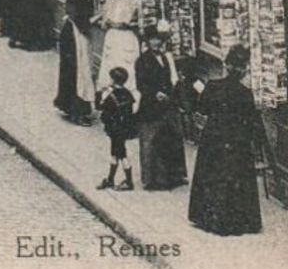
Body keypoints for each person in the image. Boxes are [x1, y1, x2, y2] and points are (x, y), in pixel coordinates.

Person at [188, 46, 264, 235]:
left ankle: (209, 217)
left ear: (227, 65)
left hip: (214, 139)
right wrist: (255, 142)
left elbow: (202, 109)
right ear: (244, 69)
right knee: (236, 178)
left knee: (212, 175)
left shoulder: (213, 86)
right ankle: (239, 220)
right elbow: (252, 121)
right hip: (238, 142)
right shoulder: (246, 93)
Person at [135, 25, 188, 190]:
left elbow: (170, 79)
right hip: (151, 106)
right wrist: (155, 94)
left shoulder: (165, 58)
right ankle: (152, 180)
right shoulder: (142, 60)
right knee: (151, 141)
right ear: (148, 41)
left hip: (167, 104)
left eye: (159, 39)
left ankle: (172, 176)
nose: (156, 43)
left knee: (171, 138)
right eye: (153, 40)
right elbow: (141, 84)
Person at [54, 0, 95, 126]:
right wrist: (93, 21)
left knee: (83, 70)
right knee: (75, 72)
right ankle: (75, 110)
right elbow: (77, 18)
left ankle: (81, 107)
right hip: (73, 37)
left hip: (82, 36)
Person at [97, 0, 141, 99]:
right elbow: (103, 24)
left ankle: (129, 99)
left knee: (127, 64)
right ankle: (109, 99)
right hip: (112, 38)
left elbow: (140, 22)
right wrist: (108, 23)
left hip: (127, 37)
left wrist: (128, 25)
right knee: (110, 65)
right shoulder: (110, 0)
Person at [96, 66, 137, 191]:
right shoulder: (128, 94)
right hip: (124, 128)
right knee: (115, 154)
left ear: (113, 80)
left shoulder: (111, 96)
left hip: (114, 129)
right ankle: (110, 179)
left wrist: (100, 93)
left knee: (120, 155)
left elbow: (99, 107)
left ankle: (128, 182)